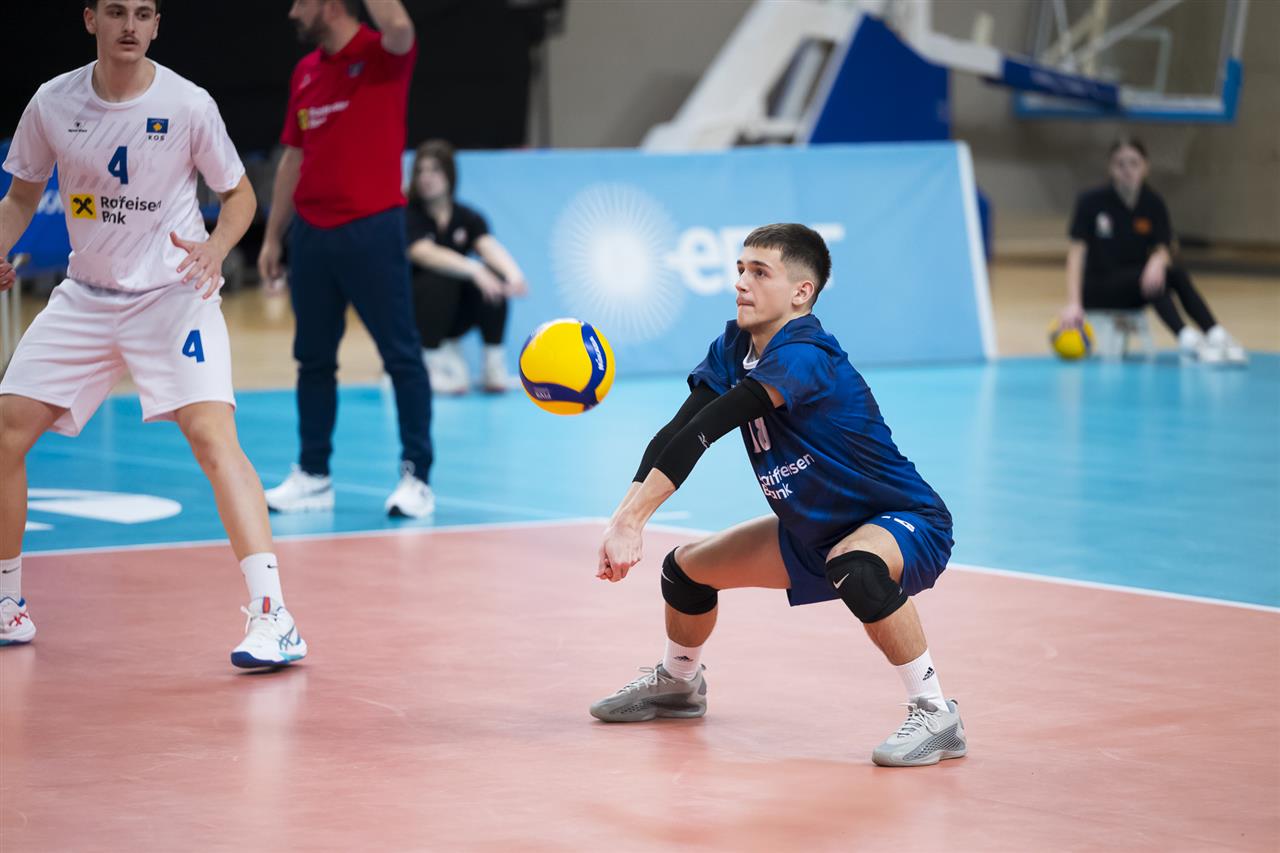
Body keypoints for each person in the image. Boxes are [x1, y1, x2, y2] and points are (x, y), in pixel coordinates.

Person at [0, 0, 306, 667]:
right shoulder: (52, 102)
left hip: (173, 297)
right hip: (86, 296)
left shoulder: (188, 104)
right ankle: (6, 603)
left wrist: (216, 247)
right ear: (91, 20)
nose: (130, 26)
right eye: (117, 12)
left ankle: (273, 616)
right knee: (5, 433)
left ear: (158, 25)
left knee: (213, 436)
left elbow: (240, 195)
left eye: (143, 14)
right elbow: (21, 196)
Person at [591, 224, 966, 767]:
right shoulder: (733, 348)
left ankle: (935, 714)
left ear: (801, 292)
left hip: (903, 519)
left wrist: (634, 522)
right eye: (740, 270)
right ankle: (678, 683)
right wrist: (622, 519)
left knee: (856, 567)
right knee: (685, 572)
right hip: (813, 531)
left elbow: (707, 431)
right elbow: (676, 432)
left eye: (760, 272)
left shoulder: (805, 353)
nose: (741, 283)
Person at [258, 0, 436, 517]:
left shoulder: (383, 55)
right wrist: (273, 237)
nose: (292, 12)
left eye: (301, 2)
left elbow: (399, 24)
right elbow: (294, 157)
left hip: (372, 231)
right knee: (313, 359)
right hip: (312, 235)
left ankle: (417, 478)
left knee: (401, 355)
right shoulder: (306, 71)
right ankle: (313, 475)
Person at [1059, 137, 1246, 365]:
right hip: (1099, 288)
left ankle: (1215, 334)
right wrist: (1074, 303)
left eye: (1134, 163)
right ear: (1110, 168)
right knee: (1151, 279)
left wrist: (1158, 259)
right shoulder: (1090, 202)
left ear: (1145, 167)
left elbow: (1165, 245)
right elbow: (1076, 254)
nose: (1127, 169)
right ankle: (1188, 341)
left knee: (1173, 274)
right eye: (1120, 164)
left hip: (1137, 289)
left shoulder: (1153, 203)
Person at [405, 139, 529, 394]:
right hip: (415, 313)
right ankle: (427, 367)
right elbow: (423, 253)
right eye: (420, 171)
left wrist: (513, 274)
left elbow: (487, 245)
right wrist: (474, 269)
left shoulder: (467, 216)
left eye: (435, 170)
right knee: (442, 276)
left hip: (454, 317)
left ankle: (493, 366)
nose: (426, 178)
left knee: (494, 278)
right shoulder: (407, 215)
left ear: (450, 175)